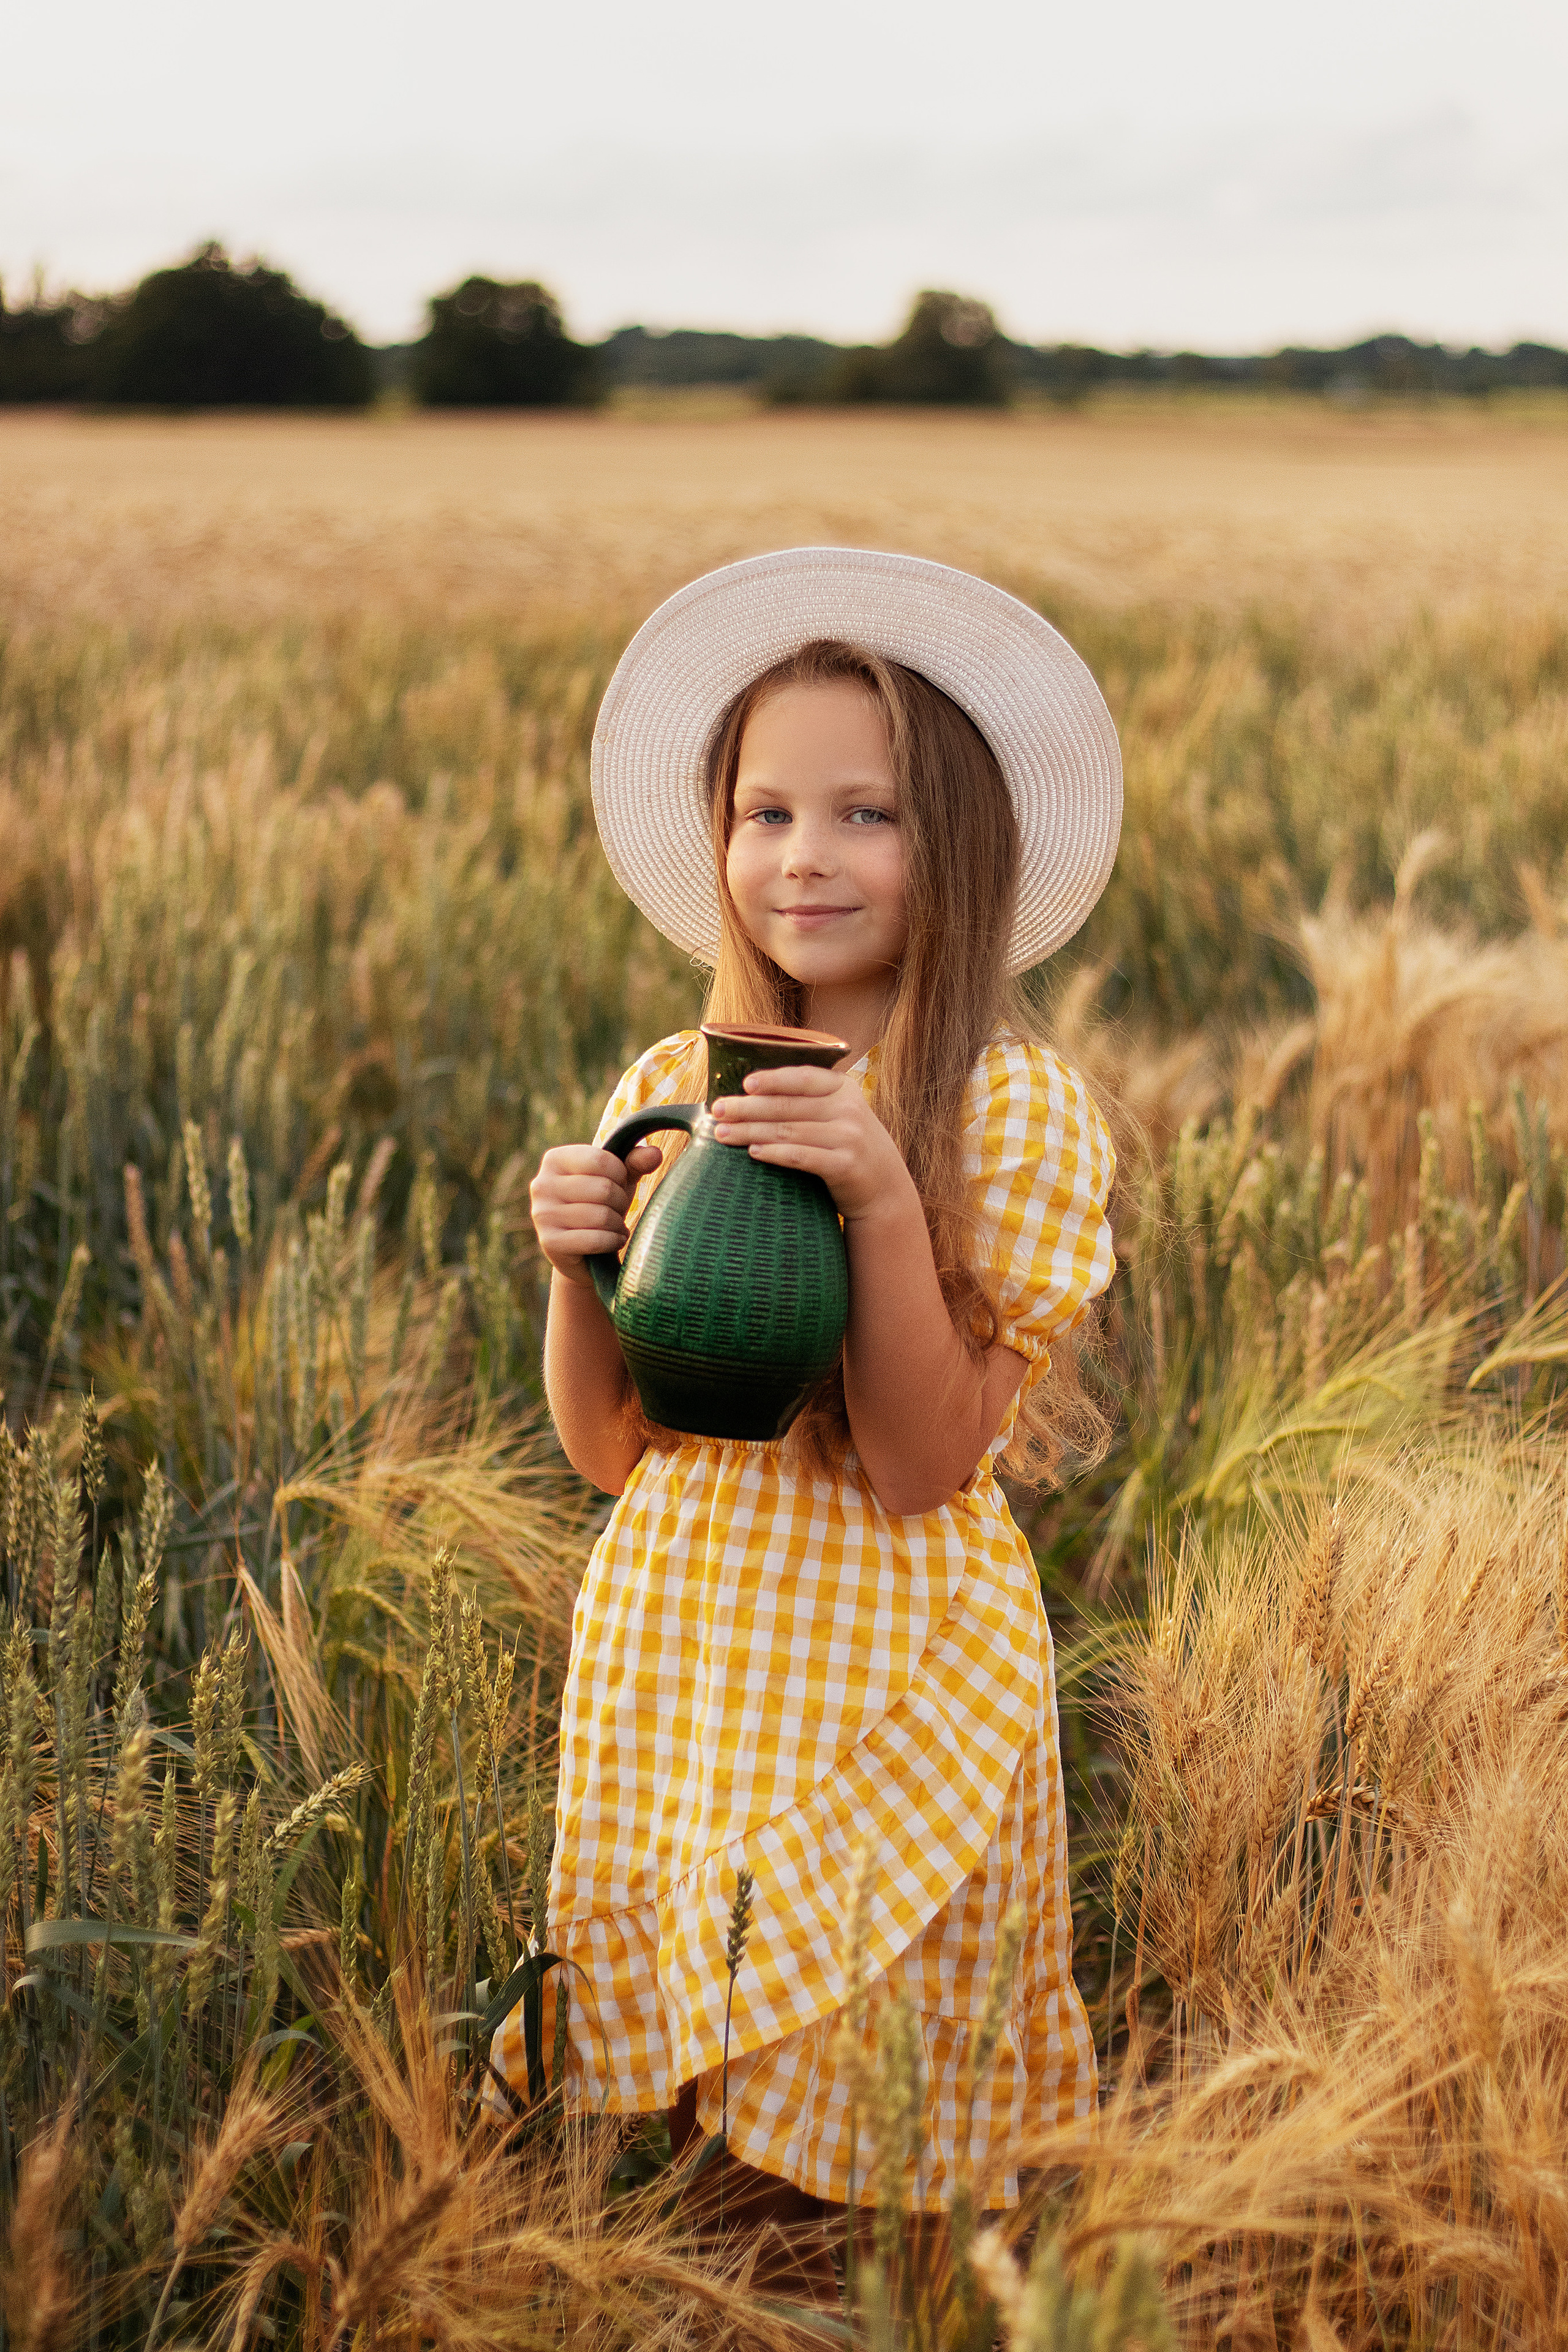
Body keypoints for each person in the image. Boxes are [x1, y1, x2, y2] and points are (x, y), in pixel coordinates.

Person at [491, 548, 1122, 2256]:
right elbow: (617, 1451)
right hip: (695, 1651)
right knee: (718, 2158)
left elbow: (922, 1466)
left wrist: (884, 1202)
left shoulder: (1010, 1116)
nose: (805, 857)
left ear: (964, 848)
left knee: (854, 2141)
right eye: (766, 813)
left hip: (891, 1668)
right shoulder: (665, 1097)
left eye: (870, 814)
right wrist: (577, 1272)